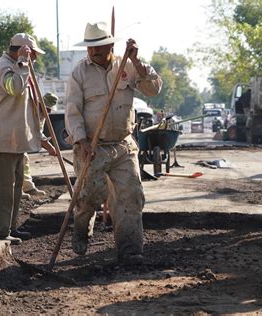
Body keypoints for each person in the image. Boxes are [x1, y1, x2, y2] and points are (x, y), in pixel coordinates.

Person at [65, 21, 162, 265]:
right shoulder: (79, 73)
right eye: (90, 47)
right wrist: (82, 140)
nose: (93, 52)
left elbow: (154, 88)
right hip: (92, 146)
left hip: (123, 145)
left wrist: (137, 61)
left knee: (131, 196)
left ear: (110, 45)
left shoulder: (127, 66)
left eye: (98, 47)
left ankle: (129, 250)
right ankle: (81, 232)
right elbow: (72, 111)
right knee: (89, 196)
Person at [0, 33, 46, 244]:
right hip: (2, 140)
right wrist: (24, 63)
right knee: (2, 189)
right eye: (33, 54)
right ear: (23, 51)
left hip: (14, 140)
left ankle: (10, 227)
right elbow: (15, 88)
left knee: (15, 188)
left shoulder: (18, 67)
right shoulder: (5, 67)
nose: (35, 59)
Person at [22, 92, 59, 198]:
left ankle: (28, 187)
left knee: (25, 162)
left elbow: (38, 133)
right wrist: (49, 147)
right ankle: (16, 190)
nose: (49, 111)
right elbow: (35, 133)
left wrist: (48, 145)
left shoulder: (41, 113)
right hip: (14, 139)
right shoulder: (33, 111)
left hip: (22, 142)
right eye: (48, 108)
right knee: (17, 164)